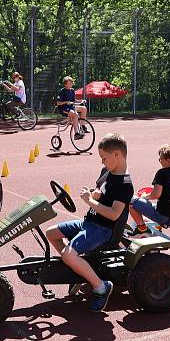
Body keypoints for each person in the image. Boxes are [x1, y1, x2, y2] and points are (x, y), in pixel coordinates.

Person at [45, 133, 134, 312]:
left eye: (104, 158)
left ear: (117, 154)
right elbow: (102, 193)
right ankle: (79, 269)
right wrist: (94, 194)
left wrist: (89, 201)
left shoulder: (124, 184)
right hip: (89, 223)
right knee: (51, 233)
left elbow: (114, 214)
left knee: (68, 254)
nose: (102, 162)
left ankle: (101, 287)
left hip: (103, 230)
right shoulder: (106, 172)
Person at [127, 142, 170, 236]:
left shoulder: (162, 173)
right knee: (162, 203)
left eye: (160, 159)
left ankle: (142, 229)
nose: (160, 161)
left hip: (163, 216)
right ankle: (160, 226)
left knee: (131, 201)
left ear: (168, 160)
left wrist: (145, 196)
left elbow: (156, 194)